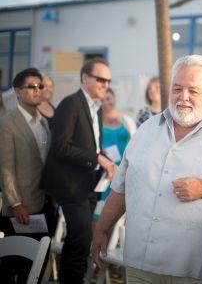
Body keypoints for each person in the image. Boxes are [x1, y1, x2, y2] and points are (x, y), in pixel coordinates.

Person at [92, 55, 202, 284]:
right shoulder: (146, 130)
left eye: (193, 90)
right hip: (139, 264)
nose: (183, 97)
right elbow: (121, 186)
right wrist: (102, 229)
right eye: (177, 88)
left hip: (195, 271)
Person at [43, 58, 117, 284]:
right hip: (70, 185)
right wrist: (97, 158)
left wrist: (105, 159)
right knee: (81, 239)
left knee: (79, 242)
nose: (105, 84)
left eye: (108, 80)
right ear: (85, 78)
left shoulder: (96, 108)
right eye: (101, 79)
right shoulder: (70, 103)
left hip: (89, 185)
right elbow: (60, 147)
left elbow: (91, 145)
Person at [0, 68, 53, 283]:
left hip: (44, 204)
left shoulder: (44, 122)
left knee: (37, 267)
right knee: (14, 267)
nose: (37, 90)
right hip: (19, 209)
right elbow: (5, 168)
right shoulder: (7, 123)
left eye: (39, 86)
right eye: (30, 86)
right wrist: (15, 203)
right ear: (17, 91)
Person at [93, 88, 135, 222]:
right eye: (102, 100)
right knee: (102, 212)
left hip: (126, 171)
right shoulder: (95, 122)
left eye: (108, 98)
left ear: (115, 98)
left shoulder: (127, 121)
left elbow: (136, 145)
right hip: (105, 172)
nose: (105, 102)